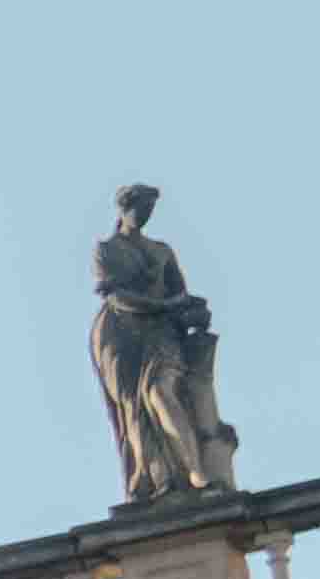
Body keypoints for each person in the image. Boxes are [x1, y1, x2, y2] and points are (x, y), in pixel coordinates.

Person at [91, 188, 236, 503]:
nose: (146, 215)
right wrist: (165, 306)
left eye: (150, 210)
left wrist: (195, 309)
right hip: (121, 333)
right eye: (141, 209)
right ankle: (157, 477)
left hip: (161, 331)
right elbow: (115, 296)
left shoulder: (162, 250)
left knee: (160, 391)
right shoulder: (107, 249)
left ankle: (194, 471)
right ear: (125, 209)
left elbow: (179, 293)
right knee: (133, 407)